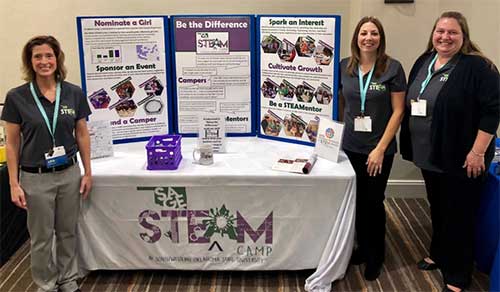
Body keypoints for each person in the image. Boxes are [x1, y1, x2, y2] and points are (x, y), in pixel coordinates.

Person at [400, 11, 499, 292]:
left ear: (464, 36)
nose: (445, 37)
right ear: (433, 34)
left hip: (463, 158)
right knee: (439, 208)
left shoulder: (479, 67)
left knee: (460, 215)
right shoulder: (424, 60)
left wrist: (478, 152)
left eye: (452, 32)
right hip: (429, 155)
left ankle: (458, 275)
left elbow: (492, 112)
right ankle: (440, 253)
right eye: (440, 31)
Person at [1, 35, 92, 292]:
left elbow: (82, 134)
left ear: (57, 58)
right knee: (41, 238)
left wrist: (87, 172)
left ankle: (68, 279)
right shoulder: (17, 97)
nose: (44, 61)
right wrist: (13, 184)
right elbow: (11, 143)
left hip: (69, 173)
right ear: (30, 62)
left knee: (67, 232)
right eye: (38, 56)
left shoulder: (73, 93)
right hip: (35, 177)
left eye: (49, 55)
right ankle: (46, 284)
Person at [339, 16, 406, 280]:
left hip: (379, 149)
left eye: (374, 33)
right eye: (364, 33)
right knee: (355, 201)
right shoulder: (345, 66)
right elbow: (342, 104)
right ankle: (361, 247)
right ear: (356, 37)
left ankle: (375, 255)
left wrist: (379, 149)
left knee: (373, 203)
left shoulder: (392, 68)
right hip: (350, 147)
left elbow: (399, 111)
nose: (369, 38)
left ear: (381, 38)